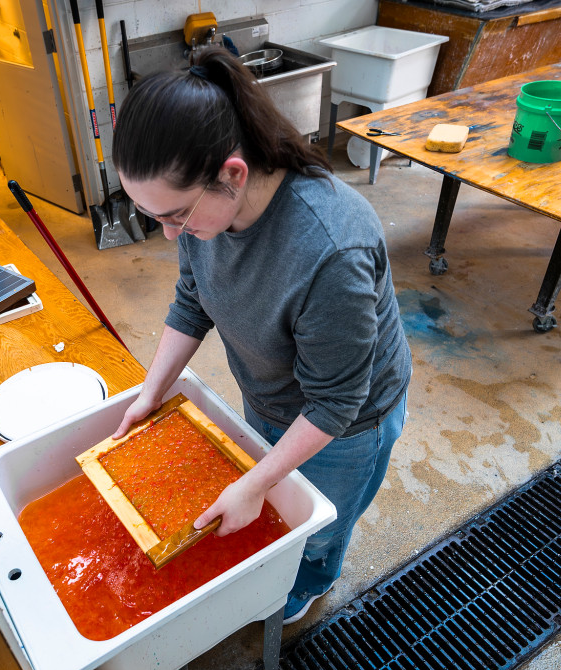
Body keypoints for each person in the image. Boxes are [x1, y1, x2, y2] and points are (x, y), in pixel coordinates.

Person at [110, 46, 412, 625]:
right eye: (156, 219)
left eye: (176, 216)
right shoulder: (208, 214)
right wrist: (149, 394)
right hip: (272, 390)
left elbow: (335, 402)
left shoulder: (330, 249)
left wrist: (257, 482)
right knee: (265, 493)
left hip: (348, 421)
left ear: (232, 174)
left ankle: (308, 585)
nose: (173, 236)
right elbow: (192, 300)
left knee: (315, 525)